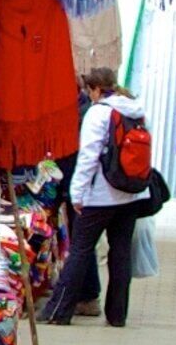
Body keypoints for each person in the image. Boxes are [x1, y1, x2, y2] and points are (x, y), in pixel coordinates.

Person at [44, 69, 153, 328]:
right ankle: (117, 315)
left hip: (101, 195)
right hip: (131, 193)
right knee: (121, 253)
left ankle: (59, 311)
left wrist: (77, 193)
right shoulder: (136, 110)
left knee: (81, 250)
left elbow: (88, 157)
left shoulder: (98, 112)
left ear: (95, 90)